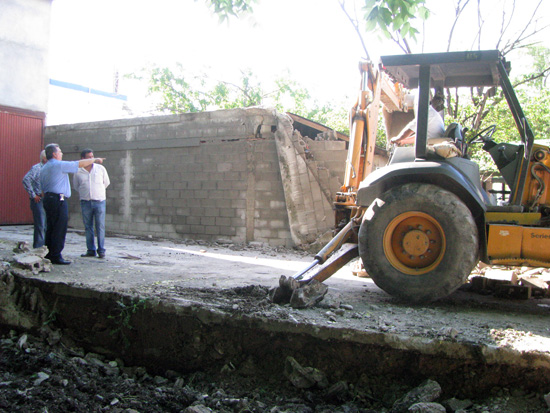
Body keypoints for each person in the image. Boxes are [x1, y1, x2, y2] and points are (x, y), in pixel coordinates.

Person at [40, 143, 105, 265]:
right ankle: (56, 255)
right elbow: (78, 164)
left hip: (49, 198)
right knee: (59, 228)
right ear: (54, 154)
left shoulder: (45, 167)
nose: (62, 153)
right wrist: (95, 160)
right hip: (58, 200)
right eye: (59, 152)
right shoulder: (58, 165)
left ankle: (49, 252)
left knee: (51, 228)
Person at [72, 148, 110, 259]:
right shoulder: (78, 171)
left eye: (92, 156)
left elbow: (106, 183)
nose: (91, 159)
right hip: (85, 202)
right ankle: (91, 250)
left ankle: (101, 250)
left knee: (100, 226)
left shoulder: (100, 169)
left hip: (99, 201)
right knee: (88, 227)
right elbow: (76, 186)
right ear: (83, 158)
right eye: (88, 157)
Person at [22, 150, 48, 248]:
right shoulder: (37, 168)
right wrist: (33, 195)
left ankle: (45, 247)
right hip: (38, 199)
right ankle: (38, 248)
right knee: (40, 225)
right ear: (44, 158)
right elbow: (26, 180)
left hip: (47, 199)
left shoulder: (50, 168)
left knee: (46, 225)